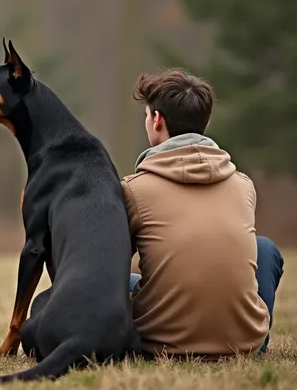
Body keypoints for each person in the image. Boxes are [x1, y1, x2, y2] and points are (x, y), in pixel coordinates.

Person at [122, 69, 284, 358]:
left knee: (128, 279)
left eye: (147, 116)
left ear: (157, 120)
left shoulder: (134, 190)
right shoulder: (243, 186)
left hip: (160, 345)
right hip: (244, 347)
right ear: (205, 123)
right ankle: (253, 338)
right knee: (265, 249)